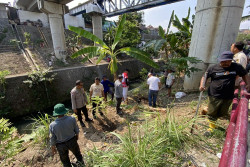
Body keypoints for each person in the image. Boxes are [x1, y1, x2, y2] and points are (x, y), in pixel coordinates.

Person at [199, 51, 250, 136]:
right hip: (214, 94)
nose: (225, 63)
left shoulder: (236, 67)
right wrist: (202, 85)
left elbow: (244, 74)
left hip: (228, 95)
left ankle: (229, 126)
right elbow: (205, 76)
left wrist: (248, 84)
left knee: (223, 112)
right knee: (212, 112)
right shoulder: (213, 68)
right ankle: (211, 128)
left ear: (231, 60)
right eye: (223, 61)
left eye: (227, 61)